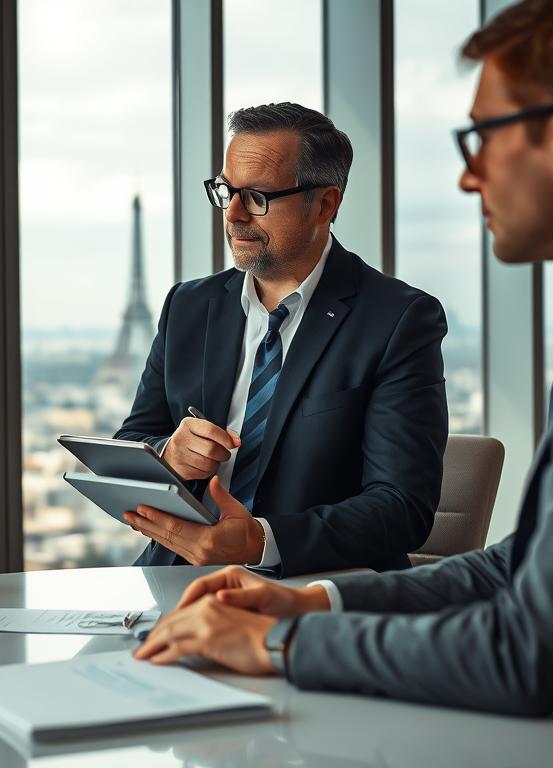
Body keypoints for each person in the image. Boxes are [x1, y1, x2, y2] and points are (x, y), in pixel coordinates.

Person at [133, 1, 553, 765]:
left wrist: (281, 640)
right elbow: (523, 563)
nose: (467, 174)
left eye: (482, 136)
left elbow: (528, 648)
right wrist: (314, 598)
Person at [115, 102, 448, 576]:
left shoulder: (399, 319)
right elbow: (130, 443)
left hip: (316, 590)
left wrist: (260, 542)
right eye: (226, 191)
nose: (232, 214)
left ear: (325, 204)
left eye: (256, 197)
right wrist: (169, 453)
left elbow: (401, 508)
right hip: (175, 577)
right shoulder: (189, 306)